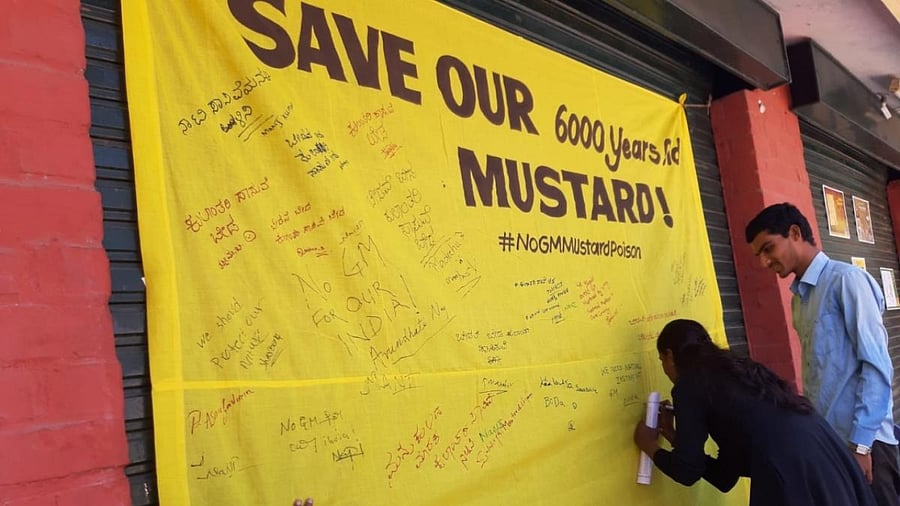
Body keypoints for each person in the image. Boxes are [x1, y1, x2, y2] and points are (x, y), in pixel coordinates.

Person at [745, 202, 900, 506]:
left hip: (867, 447)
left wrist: (862, 446)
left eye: (768, 248)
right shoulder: (800, 300)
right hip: (831, 444)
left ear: (794, 232)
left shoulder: (846, 281)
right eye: (758, 255)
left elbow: (877, 367)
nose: (764, 262)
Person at [633, 319, 875, 505]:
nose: (665, 369)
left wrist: (649, 446)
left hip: (790, 466)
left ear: (670, 355)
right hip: (821, 446)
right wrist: (675, 436)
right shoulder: (735, 373)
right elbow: (724, 478)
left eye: (661, 360)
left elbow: (687, 471)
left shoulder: (689, 384)